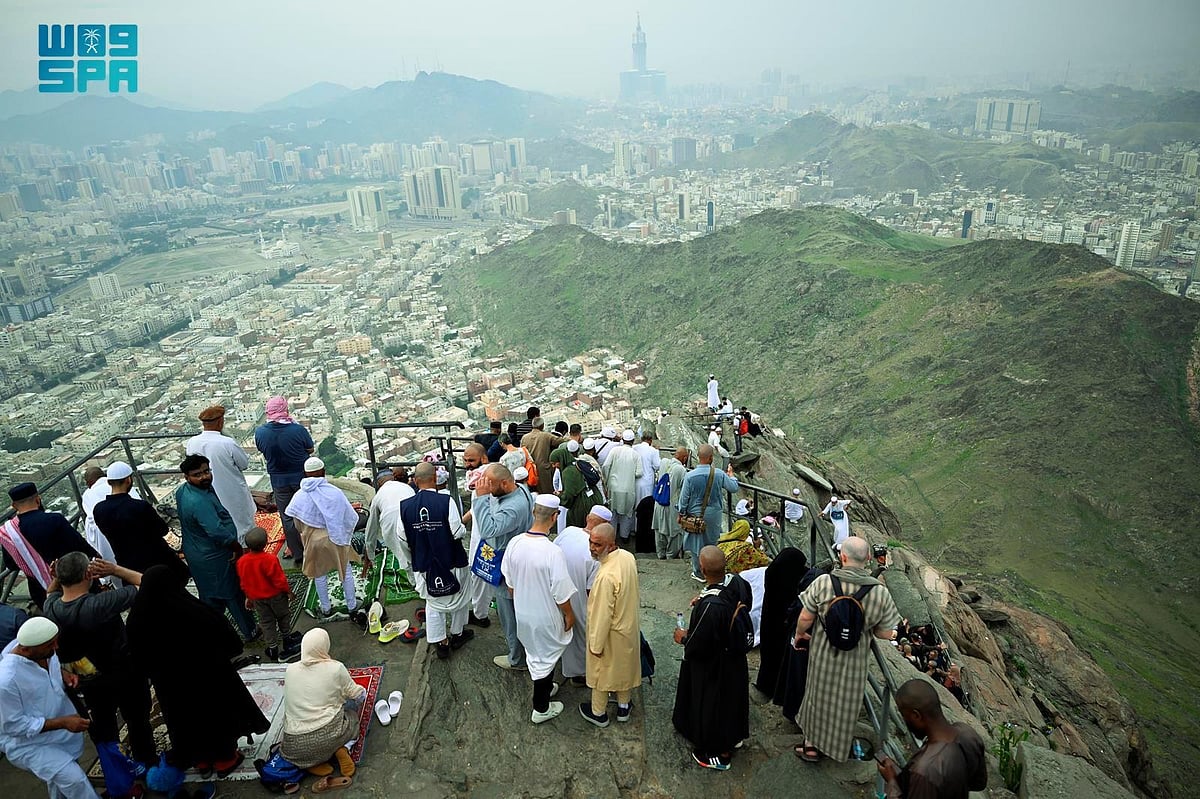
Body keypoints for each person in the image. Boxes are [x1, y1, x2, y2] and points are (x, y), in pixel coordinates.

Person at [126, 564, 269, 775]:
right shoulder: (192, 610)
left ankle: (200, 760)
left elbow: (137, 657)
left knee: (183, 722)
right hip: (207, 679)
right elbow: (228, 639)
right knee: (215, 715)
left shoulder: (137, 620)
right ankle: (225, 760)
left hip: (170, 687)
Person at [43, 553, 157, 771]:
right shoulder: (100, 604)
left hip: (88, 680)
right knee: (137, 719)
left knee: (104, 725)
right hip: (123, 671)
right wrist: (115, 570)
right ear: (89, 573)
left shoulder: (52, 608)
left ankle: (118, 769)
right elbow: (147, 582)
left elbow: (50, 593)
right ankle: (147, 763)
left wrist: (56, 578)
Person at [792, 536, 901, 762]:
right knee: (846, 701)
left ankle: (811, 745)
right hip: (855, 658)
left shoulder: (824, 582)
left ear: (842, 557)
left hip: (822, 652)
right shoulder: (880, 593)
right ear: (869, 558)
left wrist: (800, 634)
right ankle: (838, 748)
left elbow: (805, 616)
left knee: (816, 694)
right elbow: (883, 632)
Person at [0, 617, 100, 799]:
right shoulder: (6, 681)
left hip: (59, 733)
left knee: (60, 781)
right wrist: (63, 722)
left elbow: (46, 671)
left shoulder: (42, 649)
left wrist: (63, 674)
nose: (56, 647)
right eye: (50, 645)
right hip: (28, 745)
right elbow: (12, 726)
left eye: (55, 641)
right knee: (74, 779)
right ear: (25, 650)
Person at [672, 546, 751, 771]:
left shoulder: (711, 606)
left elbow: (699, 643)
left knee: (714, 704)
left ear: (702, 568)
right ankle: (734, 735)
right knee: (733, 700)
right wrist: (706, 594)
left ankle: (717, 752)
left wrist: (683, 638)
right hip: (734, 657)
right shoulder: (735, 583)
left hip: (715, 664)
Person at [500, 495, 576, 723]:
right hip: (545, 615)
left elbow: (510, 585)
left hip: (523, 613)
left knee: (537, 653)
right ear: (555, 517)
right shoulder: (552, 552)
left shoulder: (514, 543)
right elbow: (561, 594)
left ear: (534, 513)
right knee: (545, 656)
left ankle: (544, 688)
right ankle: (540, 708)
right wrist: (569, 614)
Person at [175, 454, 258, 640]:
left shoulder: (185, 491)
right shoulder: (198, 502)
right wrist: (236, 547)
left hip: (196, 551)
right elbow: (216, 531)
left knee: (209, 594)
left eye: (206, 471)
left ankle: (215, 631)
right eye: (198, 474)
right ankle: (250, 631)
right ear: (187, 477)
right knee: (232, 593)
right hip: (215, 554)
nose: (204, 476)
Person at [399, 463, 474, 660]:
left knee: (432, 602)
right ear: (435, 479)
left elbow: (402, 539)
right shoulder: (445, 501)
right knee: (460, 597)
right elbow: (457, 532)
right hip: (452, 560)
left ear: (415, 481)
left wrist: (414, 558)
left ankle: (441, 642)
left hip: (424, 564)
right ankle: (458, 633)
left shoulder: (405, 506)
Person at [279, 629, 366, 792]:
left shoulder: (290, 669)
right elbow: (358, 695)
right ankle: (343, 748)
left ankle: (313, 763)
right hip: (329, 734)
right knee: (352, 712)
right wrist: (360, 692)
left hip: (295, 745)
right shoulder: (335, 668)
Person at [878, 679, 987, 798]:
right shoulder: (967, 733)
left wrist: (892, 782)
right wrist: (905, 778)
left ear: (916, 716)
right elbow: (979, 784)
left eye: (904, 716)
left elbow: (927, 776)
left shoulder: (924, 770)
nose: (904, 721)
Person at [472, 463, 534, 670]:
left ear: (506, 483)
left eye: (490, 484)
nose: (486, 488)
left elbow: (489, 529)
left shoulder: (513, 507)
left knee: (509, 615)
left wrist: (480, 499)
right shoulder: (521, 490)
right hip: (514, 557)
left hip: (508, 566)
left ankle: (517, 659)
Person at [579, 522, 640, 727]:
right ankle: (624, 707)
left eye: (597, 544)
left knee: (602, 673)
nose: (591, 547)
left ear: (611, 545)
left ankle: (599, 713)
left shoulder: (606, 576)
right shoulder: (628, 558)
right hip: (628, 627)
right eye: (590, 541)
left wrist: (595, 644)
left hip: (610, 633)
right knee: (623, 668)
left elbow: (601, 615)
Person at [286, 457, 361, 623]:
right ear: (323, 471)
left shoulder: (299, 496)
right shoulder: (334, 492)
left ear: (305, 474)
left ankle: (326, 609)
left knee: (319, 574)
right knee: (345, 570)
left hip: (313, 541)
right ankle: (352, 605)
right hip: (335, 538)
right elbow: (348, 516)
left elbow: (296, 524)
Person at [1, 482, 98, 609]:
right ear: (38, 499)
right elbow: (81, 546)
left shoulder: (8, 532)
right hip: (75, 580)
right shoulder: (54, 519)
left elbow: (12, 565)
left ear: (14, 506)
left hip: (41, 590)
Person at [93, 461, 186, 580]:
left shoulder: (99, 510)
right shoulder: (140, 506)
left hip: (127, 568)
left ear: (109, 482)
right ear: (128, 480)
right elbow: (162, 530)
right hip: (157, 563)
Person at [255, 396, 315, 567]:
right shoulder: (297, 430)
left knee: (287, 516)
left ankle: (298, 552)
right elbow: (310, 448)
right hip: (300, 477)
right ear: (285, 409)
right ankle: (312, 547)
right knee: (307, 512)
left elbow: (262, 449)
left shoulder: (260, 432)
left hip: (278, 479)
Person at [186, 404, 258, 544]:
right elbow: (244, 464)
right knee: (242, 524)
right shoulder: (227, 443)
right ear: (220, 422)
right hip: (231, 489)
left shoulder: (192, 442)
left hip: (205, 491)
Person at [553, 506, 603, 685]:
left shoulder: (568, 531)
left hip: (556, 592)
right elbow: (591, 590)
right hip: (579, 599)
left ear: (588, 518)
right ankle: (578, 674)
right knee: (581, 635)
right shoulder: (595, 553)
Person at [753, 547, 809, 704]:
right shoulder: (791, 584)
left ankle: (766, 686)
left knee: (770, 657)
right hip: (783, 625)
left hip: (770, 622)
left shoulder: (773, 574)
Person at [237, 527, 300, 662]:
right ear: (266, 543)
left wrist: (248, 597)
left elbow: (243, 582)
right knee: (283, 616)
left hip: (258, 599)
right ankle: (287, 640)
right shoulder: (270, 559)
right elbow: (279, 580)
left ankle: (272, 648)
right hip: (276, 597)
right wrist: (289, 592)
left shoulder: (241, 561)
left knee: (266, 622)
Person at [676, 444, 739, 581]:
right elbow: (733, 487)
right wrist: (732, 476)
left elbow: (684, 498)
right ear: (711, 457)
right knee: (712, 542)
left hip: (694, 515)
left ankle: (698, 572)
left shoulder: (690, 476)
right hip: (714, 514)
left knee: (695, 543)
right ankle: (712, 571)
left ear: (698, 457)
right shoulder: (719, 474)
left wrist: (681, 513)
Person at [458, 443, 492, 628]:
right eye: (465, 460)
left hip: (486, 538)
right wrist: (460, 522)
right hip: (478, 534)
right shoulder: (477, 479)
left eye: (471, 460)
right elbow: (474, 507)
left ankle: (481, 615)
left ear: (484, 459)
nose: (468, 464)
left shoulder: (487, 478)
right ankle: (480, 610)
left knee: (481, 576)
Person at [602, 430, 642, 545]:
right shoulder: (635, 454)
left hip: (613, 488)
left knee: (612, 513)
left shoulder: (614, 450)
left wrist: (607, 479)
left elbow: (605, 466)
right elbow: (639, 473)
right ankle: (625, 537)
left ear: (622, 440)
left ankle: (612, 537)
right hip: (628, 489)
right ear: (633, 441)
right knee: (627, 514)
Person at [79, 466, 120, 571]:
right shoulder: (118, 483)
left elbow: (91, 520)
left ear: (88, 483)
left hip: (107, 540)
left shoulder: (88, 495)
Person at [652, 447, 688, 559]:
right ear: (685, 458)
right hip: (672, 504)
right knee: (674, 532)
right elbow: (684, 491)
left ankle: (660, 554)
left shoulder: (663, 463)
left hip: (658, 503)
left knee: (659, 530)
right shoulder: (681, 470)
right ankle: (670, 556)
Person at [559, 440, 604, 529]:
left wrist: (561, 496)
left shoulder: (568, 469)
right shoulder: (585, 462)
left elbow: (568, 492)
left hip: (575, 503)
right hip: (593, 498)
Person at [519, 417, 564, 496]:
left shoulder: (524, 438)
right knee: (547, 494)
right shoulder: (545, 436)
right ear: (542, 426)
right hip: (544, 469)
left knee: (534, 494)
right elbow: (560, 441)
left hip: (530, 470)